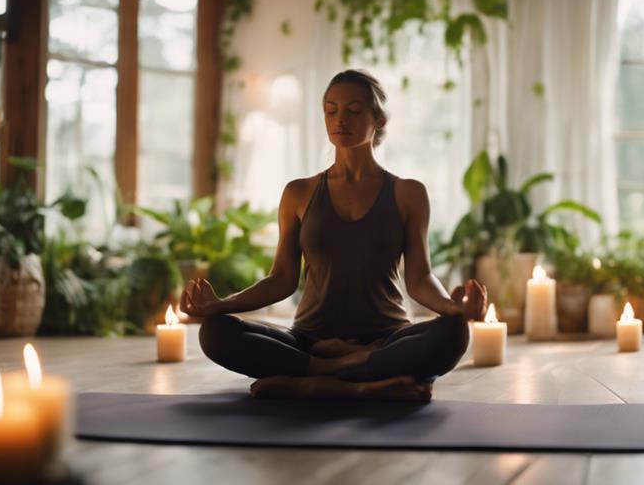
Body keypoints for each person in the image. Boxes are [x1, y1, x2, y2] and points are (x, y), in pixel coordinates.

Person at [179, 69, 487, 401]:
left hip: (387, 338)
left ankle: (310, 381)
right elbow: (281, 278)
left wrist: (451, 309)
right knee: (216, 333)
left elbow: (420, 277)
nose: (340, 119)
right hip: (312, 340)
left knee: (453, 334)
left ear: (379, 120)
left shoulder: (408, 193)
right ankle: (359, 380)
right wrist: (221, 305)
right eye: (331, 110)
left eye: (353, 111)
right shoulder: (299, 192)